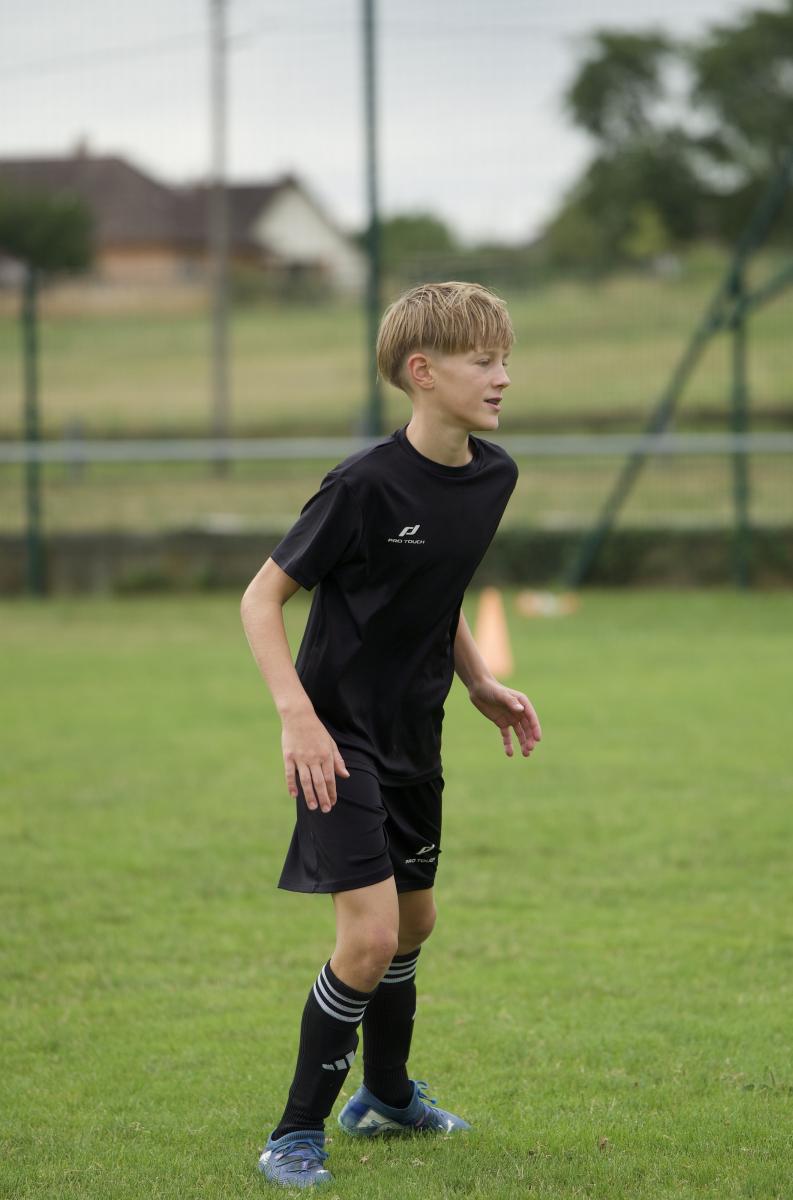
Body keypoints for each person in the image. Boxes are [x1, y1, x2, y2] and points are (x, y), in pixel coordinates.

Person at [239, 281, 543, 1189]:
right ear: (423, 371)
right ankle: (294, 1134)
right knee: (370, 938)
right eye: (483, 360)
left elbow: (438, 592)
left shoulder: (493, 477)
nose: (503, 376)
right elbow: (260, 600)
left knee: (415, 922)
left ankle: (386, 1097)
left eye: (505, 359)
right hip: (335, 740)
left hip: (416, 730)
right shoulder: (363, 485)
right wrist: (296, 715)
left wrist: (478, 679)